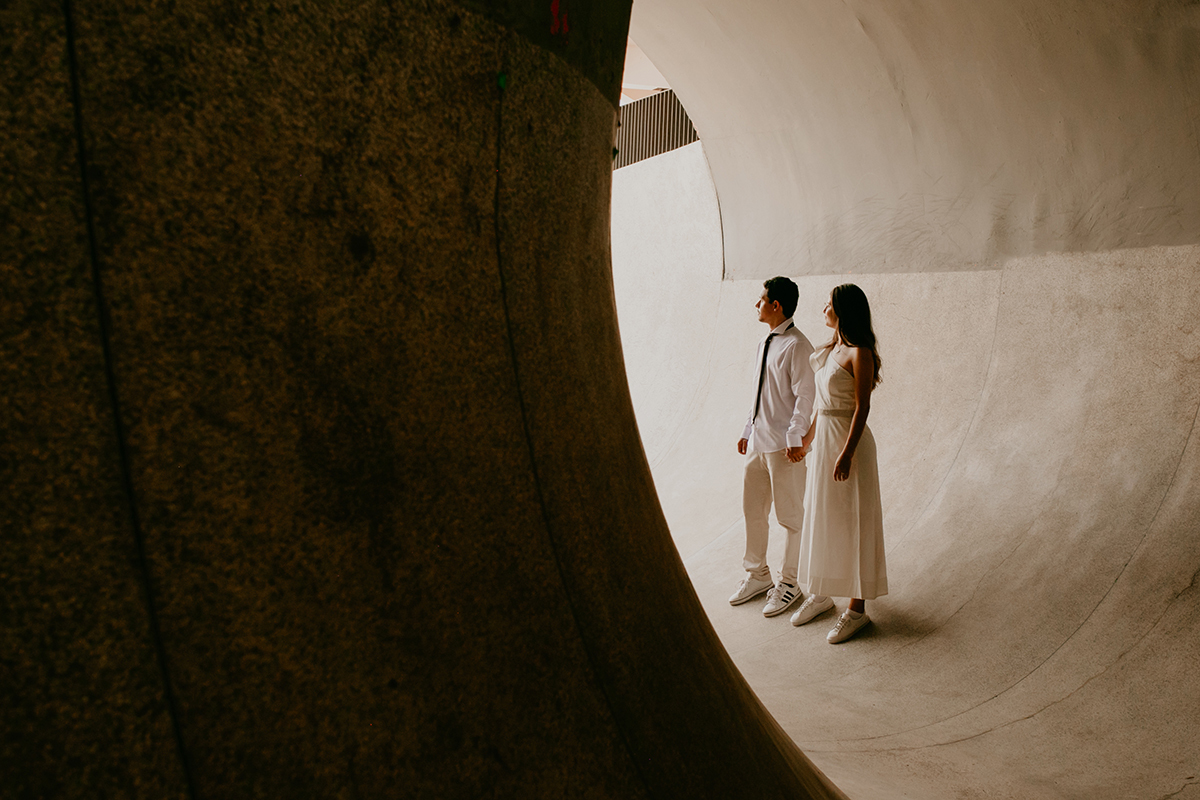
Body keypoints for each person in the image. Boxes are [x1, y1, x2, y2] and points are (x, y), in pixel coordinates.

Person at [788, 283, 887, 642]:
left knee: (854, 519)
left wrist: (846, 453)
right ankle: (822, 593)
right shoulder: (832, 349)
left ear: (844, 310)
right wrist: (807, 441)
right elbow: (822, 405)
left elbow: (862, 407)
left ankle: (856, 610)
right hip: (826, 440)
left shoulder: (860, 353)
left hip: (850, 444)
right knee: (823, 515)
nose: (823, 310)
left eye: (829, 304)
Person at [729, 277, 816, 617]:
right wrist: (747, 429)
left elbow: (805, 397)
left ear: (776, 305)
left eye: (761, 299)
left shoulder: (798, 346)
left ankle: (790, 583)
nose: (757, 304)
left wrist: (795, 439)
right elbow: (760, 392)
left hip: (784, 449)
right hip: (758, 445)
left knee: (790, 518)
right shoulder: (765, 343)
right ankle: (758, 575)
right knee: (753, 512)